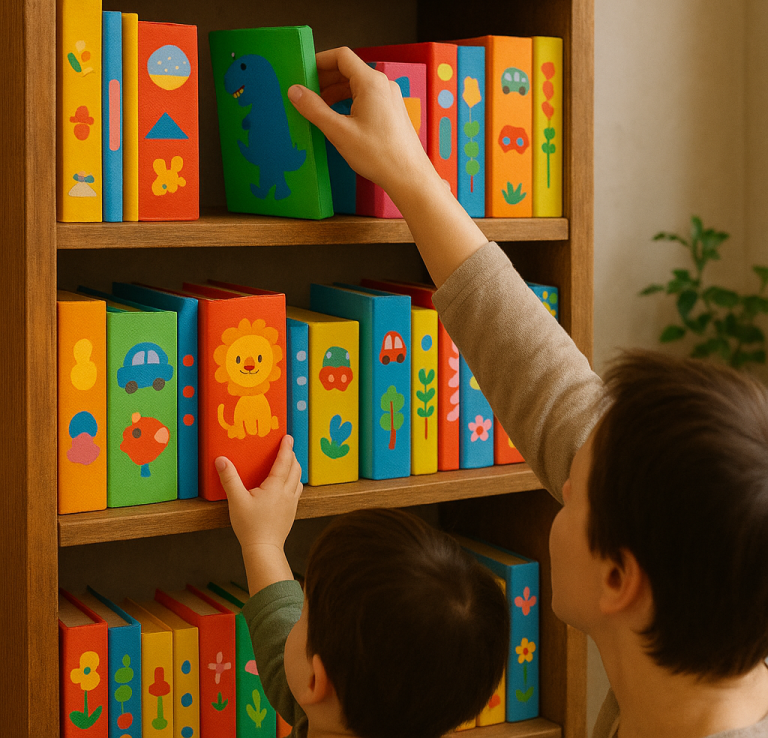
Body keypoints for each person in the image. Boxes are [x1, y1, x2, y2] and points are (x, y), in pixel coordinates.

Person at [221, 46, 768, 738]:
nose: (562, 481)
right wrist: (409, 174)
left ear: (617, 580)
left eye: (580, 494)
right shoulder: (714, 627)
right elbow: (543, 377)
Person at [216, 436, 509, 738]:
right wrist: (263, 543)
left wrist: (262, 542)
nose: (293, 617)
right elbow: (280, 640)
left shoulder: (321, 708)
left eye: (304, 610)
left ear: (316, 681)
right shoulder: (346, 710)